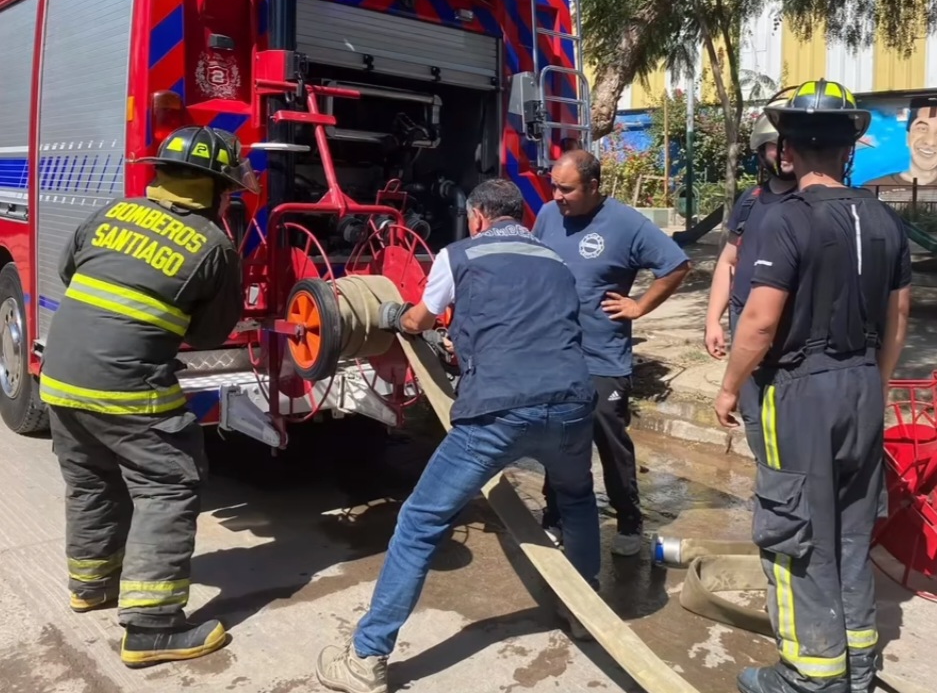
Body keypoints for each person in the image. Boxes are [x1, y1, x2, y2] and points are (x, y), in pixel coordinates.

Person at [316, 178, 600, 693]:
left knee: (421, 520)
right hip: (574, 406)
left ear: (477, 217)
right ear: (522, 216)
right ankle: (584, 614)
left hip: (498, 411)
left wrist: (392, 316)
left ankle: (367, 657)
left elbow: (420, 318)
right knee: (577, 501)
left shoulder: (460, 254)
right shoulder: (558, 261)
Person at [714, 79, 911, 693]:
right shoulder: (885, 220)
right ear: (847, 150)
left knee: (794, 534)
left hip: (798, 392)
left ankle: (809, 676)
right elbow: (897, 320)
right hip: (863, 386)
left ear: (788, 150)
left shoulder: (784, 219)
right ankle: (857, 668)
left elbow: (760, 321)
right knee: (851, 532)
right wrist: (870, 387)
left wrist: (729, 387)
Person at [40, 126, 256, 668]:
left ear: (160, 174)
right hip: (124, 385)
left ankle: (91, 586)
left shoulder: (111, 213)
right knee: (168, 483)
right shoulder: (214, 245)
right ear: (214, 190)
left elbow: (69, 272)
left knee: (91, 480)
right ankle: (152, 629)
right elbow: (210, 335)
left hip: (60, 377)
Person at [533, 150, 690, 556]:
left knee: (609, 439)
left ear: (593, 187)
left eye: (566, 188)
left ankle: (628, 520)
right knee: (557, 438)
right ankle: (555, 515)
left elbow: (675, 265)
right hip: (555, 355)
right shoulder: (549, 216)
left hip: (602, 357)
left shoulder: (626, 224)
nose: (557, 195)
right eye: (554, 186)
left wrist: (639, 305)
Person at [705, 112, 798, 355]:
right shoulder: (750, 199)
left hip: (795, 326)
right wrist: (713, 321)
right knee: (747, 390)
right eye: (777, 145)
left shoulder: (817, 204)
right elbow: (728, 261)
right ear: (761, 149)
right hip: (743, 317)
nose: (785, 152)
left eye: (793, 144)